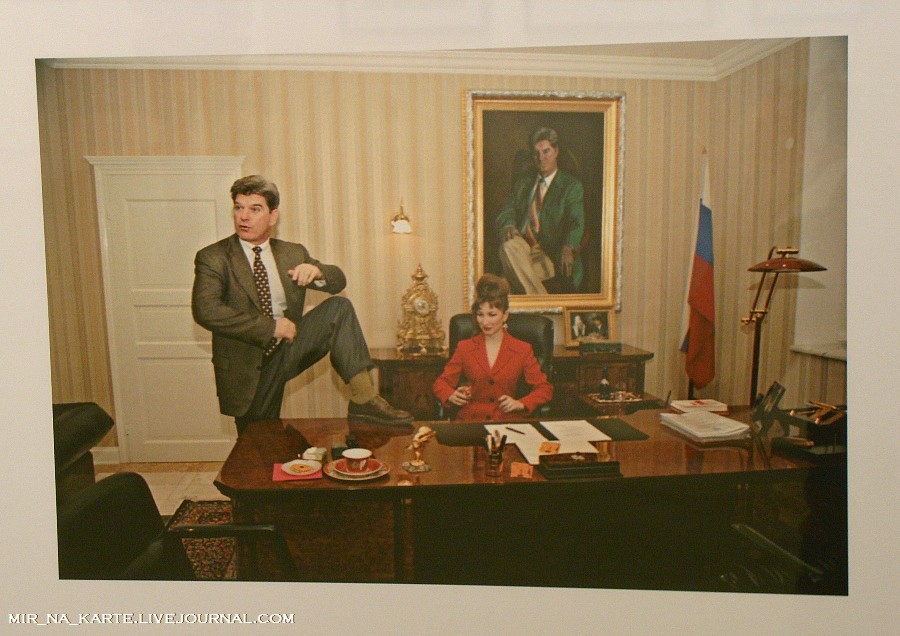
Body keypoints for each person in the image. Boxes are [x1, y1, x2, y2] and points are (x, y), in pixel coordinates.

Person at [192, 175, 412, 434]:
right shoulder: (214, 257)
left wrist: (318, 271)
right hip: (246, 365)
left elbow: (338, 280)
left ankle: (364, 399)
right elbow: (206, 310)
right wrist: (271, 327)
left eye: (255, 209)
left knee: (339, 308)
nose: (244, 217)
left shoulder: (292, 253)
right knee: (259, 442)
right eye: (239, 208)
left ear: (273, 216)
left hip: (289, 349)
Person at [432, 274, 553, 420]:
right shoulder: (465, 347)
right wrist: (450, 395)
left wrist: (521, 403)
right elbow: (441, 383)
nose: (485, 322)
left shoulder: (522, 349)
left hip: (506, 422)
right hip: (471, 422)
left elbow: (544, 389)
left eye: (492, 314)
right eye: (480, 314)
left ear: (505, 315)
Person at [495, 127, 585, 294]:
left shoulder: (571, 186)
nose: (541, 158)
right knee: (508, 246)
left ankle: (538, 301)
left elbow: (576, 221)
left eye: (546, 151)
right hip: (522, 247)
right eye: (536, 153)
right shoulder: (524, 183)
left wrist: (568, 246)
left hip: (549, 252)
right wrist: (508, 224)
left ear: (556, 151)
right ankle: (544, 304)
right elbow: (507, 209)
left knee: (504, 284)